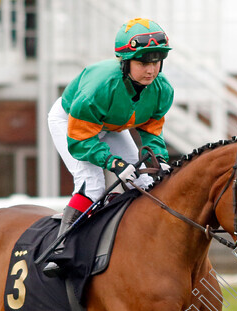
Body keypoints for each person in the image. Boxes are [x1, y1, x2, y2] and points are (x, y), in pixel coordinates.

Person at [44, 18, 174, 277]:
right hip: (72, 123)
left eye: (156, 62)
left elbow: (151, 133)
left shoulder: (162, 89)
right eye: (143, 62)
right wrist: (114, 163)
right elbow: (81, 141)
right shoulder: (100, 87)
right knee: (92, 184)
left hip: (112, 125)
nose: (151, 70)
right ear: (125, 62)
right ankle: (61, 250)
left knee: (144, 182)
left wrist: (159, 159)